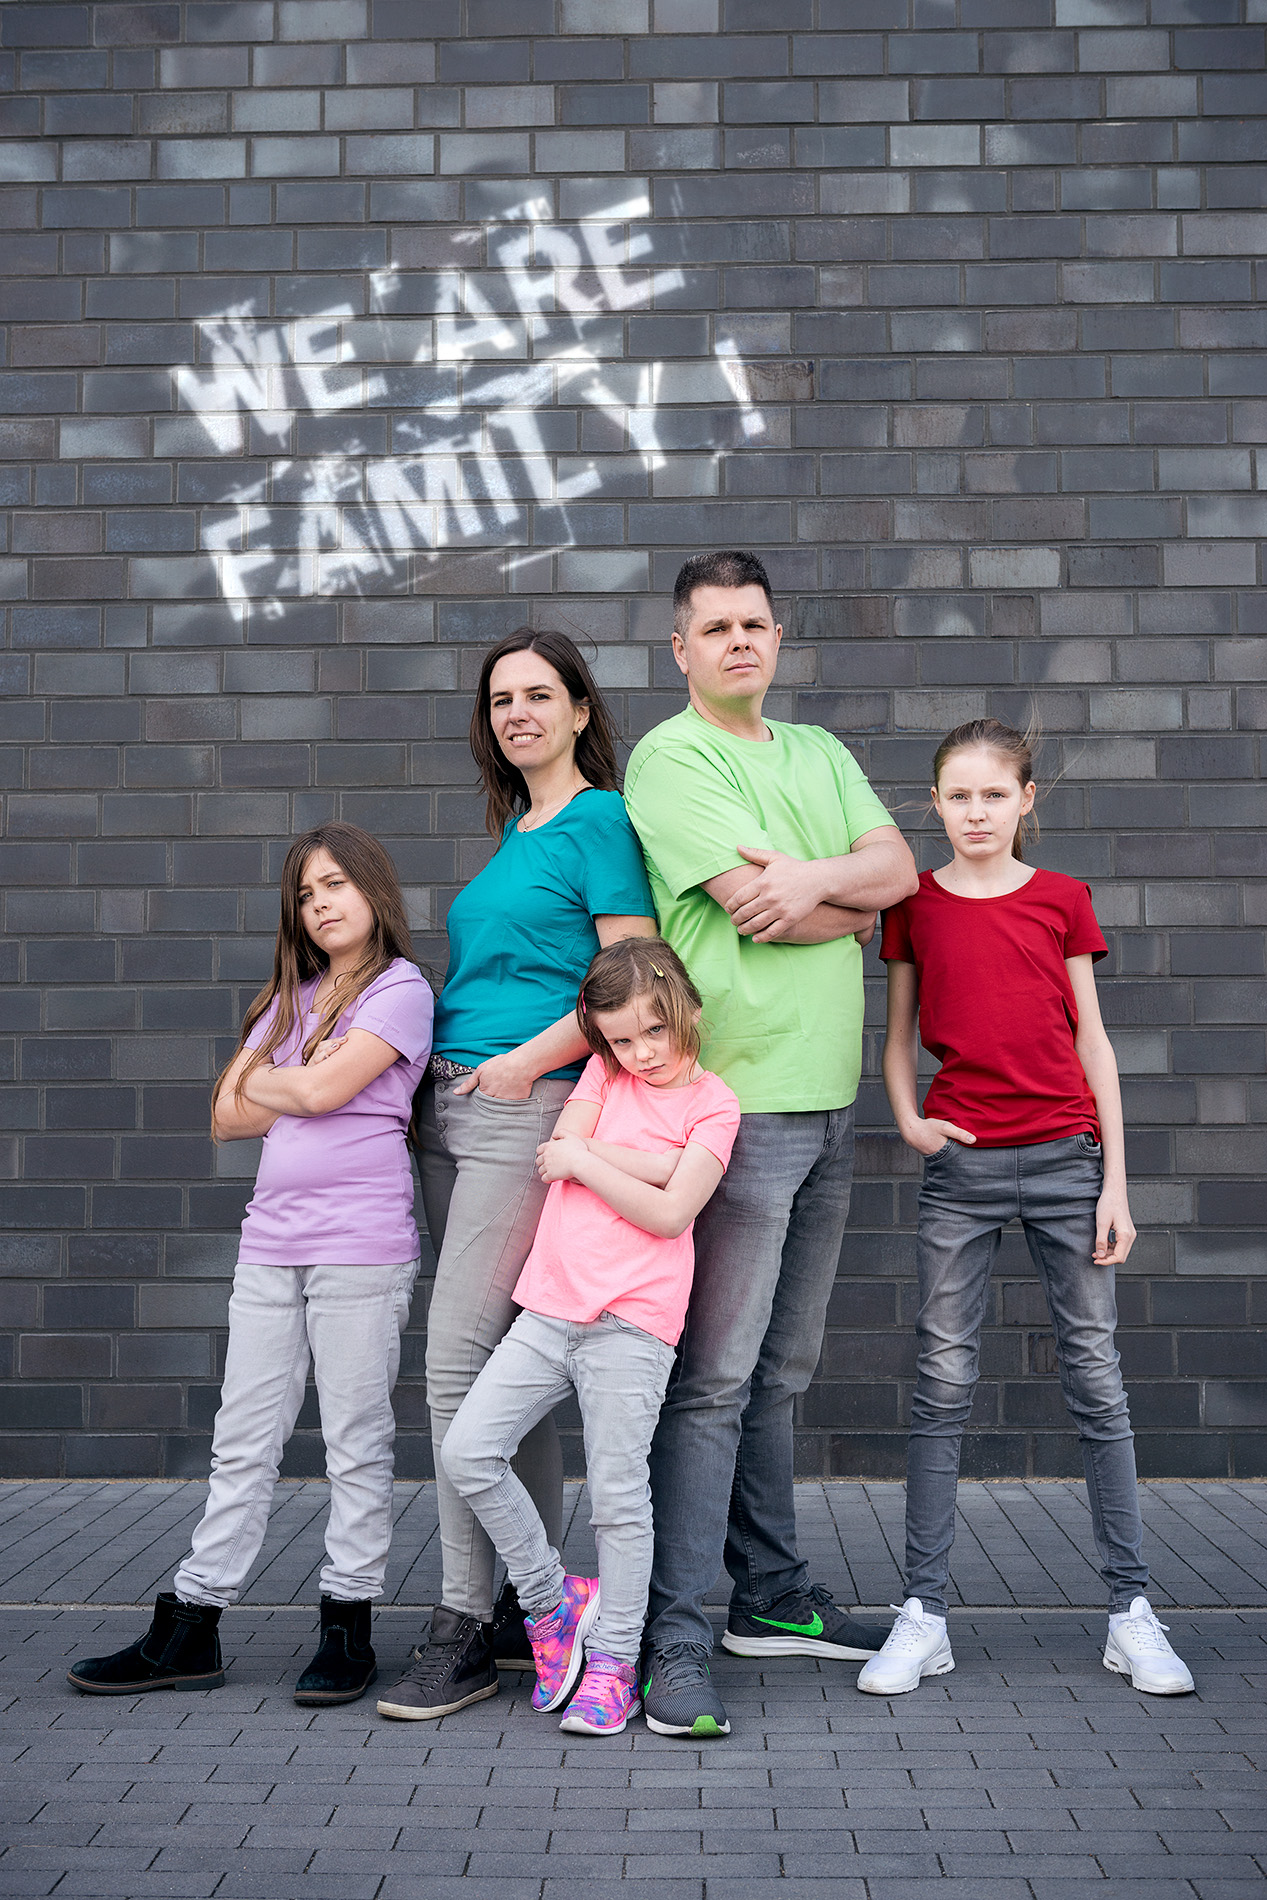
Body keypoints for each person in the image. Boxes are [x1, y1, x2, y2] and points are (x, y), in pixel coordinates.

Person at [622, 550, 920, 1739]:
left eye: (754, 623)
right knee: (711, 1381)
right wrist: (845, 897)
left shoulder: (819, 752)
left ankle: (771, 1594)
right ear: (680, 649)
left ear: (777, 637)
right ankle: (674, 1636)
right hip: (734, 1111)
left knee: (779, 1373)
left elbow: (899, 874)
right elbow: (765, 906)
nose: (738, 640)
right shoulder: (670, 757)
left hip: (828, 1099)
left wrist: (823, 886)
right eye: (715, 627)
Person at [861, 717, 1193, 1698]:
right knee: (942, 1380)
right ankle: (923, 1614)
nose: (976, 812)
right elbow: (895, 1035)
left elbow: (1094, 1045)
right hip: (960, 1168)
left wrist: (1115, 1182)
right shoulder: (915, 905)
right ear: (934, 803)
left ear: (1025, 799)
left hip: (1065, 1161)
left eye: (994, 795)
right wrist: (909, 1121)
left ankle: (1130, 1611)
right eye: (958, 796)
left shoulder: (1060, 899)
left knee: (1094, 1377)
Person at [67, 824, 434, 1706]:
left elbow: (309, 1091)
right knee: (242, 1441)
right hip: (269, 1245)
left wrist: (284, 1076)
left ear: (373, 890)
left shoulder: (400, 989)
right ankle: (192, 1626)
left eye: (335, 884)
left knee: (354, 1442)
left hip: (359, 1248)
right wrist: (296, 1072)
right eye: (305, 894)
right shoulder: (289, 997)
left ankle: (346, 1626)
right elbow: (224, 1115)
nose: (320, 904)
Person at [378, 629, 657, 1723]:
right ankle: (512, 1604)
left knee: (452, 1367)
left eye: (540, 694)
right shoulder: (514, 831)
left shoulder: (599, 821)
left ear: (581, 709)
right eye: (501, 699)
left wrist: (523, 1066)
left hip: (517, 1107)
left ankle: (466, 1616)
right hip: (449, 1109)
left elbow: (632, 979)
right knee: (501, 1367)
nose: (518, 713)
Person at [441, 938, 740, 1736]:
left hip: (632, 1328)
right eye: (621, 1039)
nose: (641, 1053)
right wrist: (646, 1162)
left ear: (686, 1007)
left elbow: (671, 1214)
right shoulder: (603, 1076)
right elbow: (553, 1157)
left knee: (617, 1502)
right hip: (547, 1312)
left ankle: (613, 1661)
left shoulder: (713, 1105)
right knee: (467, 1452)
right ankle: (551, 1601)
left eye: (654, 1030)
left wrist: (591, 1157)